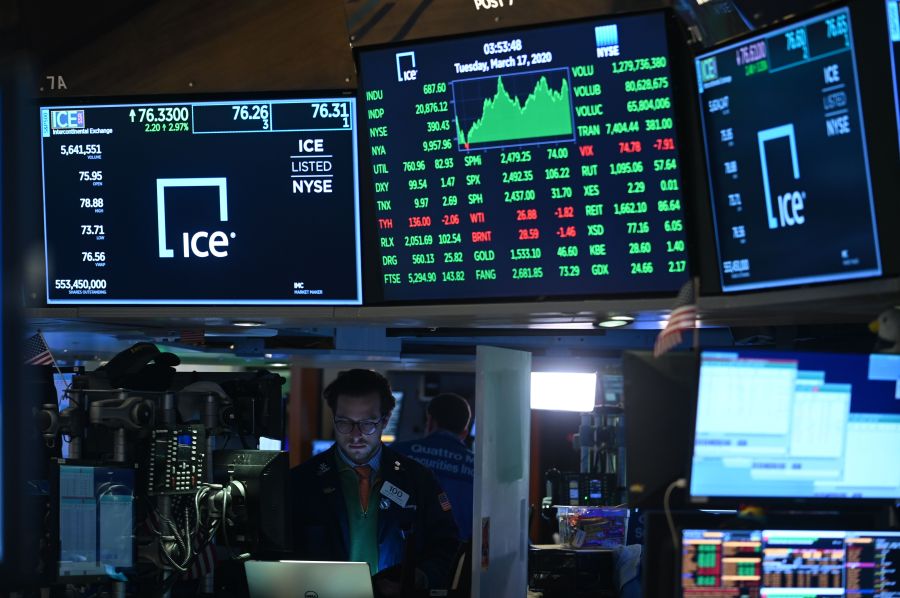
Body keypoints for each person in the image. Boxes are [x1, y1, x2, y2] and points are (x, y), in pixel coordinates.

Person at [290, 369, 459, 597]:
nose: (356, 435)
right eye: (344, 423)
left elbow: (446, 544)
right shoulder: (301, 482)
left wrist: (419, 577)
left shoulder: (418, 480)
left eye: (367, 423)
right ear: (334, 417)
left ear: (385, 420)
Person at [391, 393, 475, 542]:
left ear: (430, 422)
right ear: (464, 433)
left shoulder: (397, 455)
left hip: (403, 558)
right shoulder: (478, 469)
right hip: (457, 560)